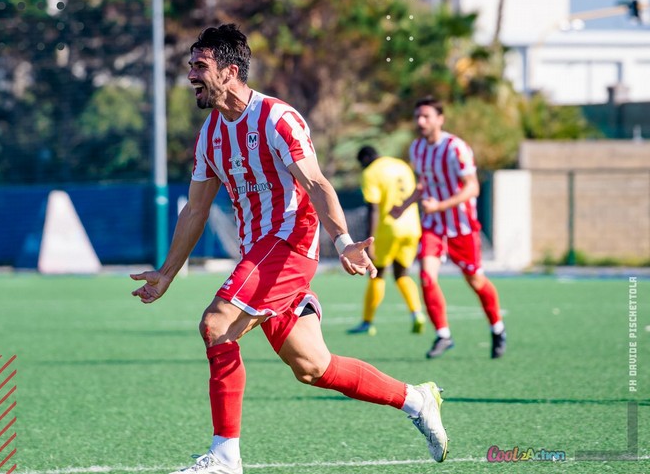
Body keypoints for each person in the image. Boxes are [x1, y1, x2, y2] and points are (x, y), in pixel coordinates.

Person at [131, 25, 449, 474]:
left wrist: (342, 241)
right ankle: (417, 400)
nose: (191, 76)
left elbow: (316, 184)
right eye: (191, 66)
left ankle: (225, 458)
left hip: (290, 244)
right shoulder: (210, 136)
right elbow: (195, 211)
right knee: (313, 367)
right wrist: (166, 272)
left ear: (231, 71)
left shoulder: (278, 118)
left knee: (216, 324)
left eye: (200, 66)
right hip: (257, 257)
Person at [399, 96, 506, 359]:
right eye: (417, 117)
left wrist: (441, 205)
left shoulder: (456, 148)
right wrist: (404, 205)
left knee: (475, 280)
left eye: (426, 116)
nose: (421, 121)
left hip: (462, 226)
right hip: (434, 226)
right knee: (426, 274)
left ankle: (497, 327)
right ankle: (443, 335)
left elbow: (473, 187)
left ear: (440, 119)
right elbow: (425, 183)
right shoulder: (416, 148)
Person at [347, 146, 425, 336]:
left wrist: (368, 242)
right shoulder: (402, 165)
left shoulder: (371, 172)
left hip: (387, 229)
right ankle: (417, 314)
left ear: (365, 159)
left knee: (377, 273)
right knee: (402, 274)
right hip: (412, 228)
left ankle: (367, 322)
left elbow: (373, 208)